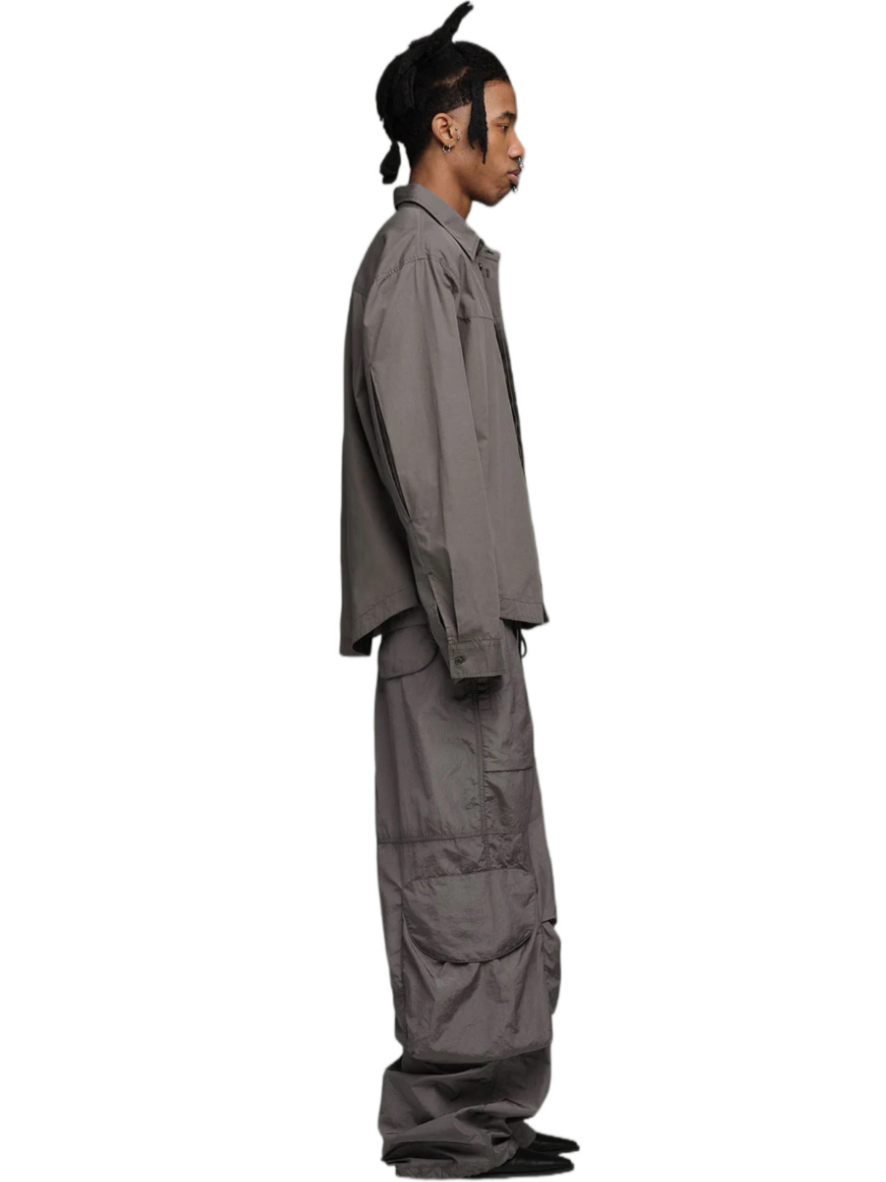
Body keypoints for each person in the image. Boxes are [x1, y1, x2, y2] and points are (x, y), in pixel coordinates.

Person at [339, 4, 575, 1176]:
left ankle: (487, 1115)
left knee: (497, 871)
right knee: (458, 878)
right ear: (448, 127)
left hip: (468, 629)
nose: (519, 146)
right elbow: (430, 470)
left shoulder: (445, 260)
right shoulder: (417, 264)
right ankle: (446, 1128)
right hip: (449, 636)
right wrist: (473, 636)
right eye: (504, 122)